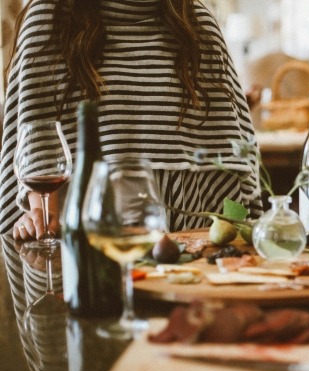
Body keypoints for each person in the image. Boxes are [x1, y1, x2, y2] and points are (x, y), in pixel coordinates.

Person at [1, 0, 262, 241]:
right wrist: (42, 217)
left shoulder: (195, 21)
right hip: (90, 236)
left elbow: (232, 152)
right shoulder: (51, 17)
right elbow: (38, 141)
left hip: (192, 232)